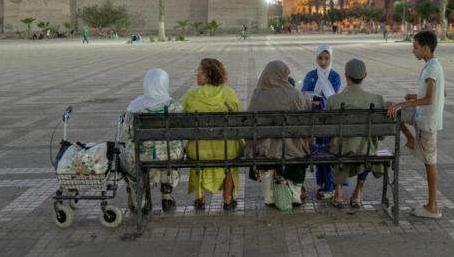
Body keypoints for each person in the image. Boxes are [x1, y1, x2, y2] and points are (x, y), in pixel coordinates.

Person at [386, 31, 445, 219]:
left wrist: (404, 104)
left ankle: (432, 206)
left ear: (426, 49)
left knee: (430, 162)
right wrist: (414, 97)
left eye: (415, 47)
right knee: (391, 110)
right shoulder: (433, 66)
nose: (413, 51)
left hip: (427, 122)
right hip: (421, 115)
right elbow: (441, 94)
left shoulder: (432, 69)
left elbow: (429, 99)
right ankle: (411, 141)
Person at [246, 61, 312, 208]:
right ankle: (295, 192)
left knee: (266, 145)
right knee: (300, 143)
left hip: (264, 150)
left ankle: (269, 195)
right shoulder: (293, 94)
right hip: (292, 149)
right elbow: (306, 105)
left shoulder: (257, 94)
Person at [121, 68, 184, 213]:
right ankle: (166, 194)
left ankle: (141, 201)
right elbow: (180, 132)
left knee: (129, 156)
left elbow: (128, 132)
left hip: (141, 154)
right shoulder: (175, 106)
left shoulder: (135, 106)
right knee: (173, 149)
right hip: (170, 154)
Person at [183, 58, 242, 210]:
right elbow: (238, 117)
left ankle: (200, 199)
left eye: (199, 72)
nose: (196, 75)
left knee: (198, 152)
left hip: (199, 150)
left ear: (208, 75)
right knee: (230, 159)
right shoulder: (228, 93)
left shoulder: (192, 96)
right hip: (226, 149)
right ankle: (228, 199)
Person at [326, 58, 385, 209]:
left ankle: (338, 192)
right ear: (365, 75)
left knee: (333, 146)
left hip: (340, 150)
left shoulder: (333, 100)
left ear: (346, 76)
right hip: (366, 150)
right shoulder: (377, 99)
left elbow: (327, 131)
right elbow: (381, 135)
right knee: (366, 148)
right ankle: (358, 192)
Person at [301, 44, 342, 200]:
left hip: (330, 121)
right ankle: (322, 183)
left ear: (331, 58)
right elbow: (304, 94)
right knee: (319, 151)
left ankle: (330, 186)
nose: (323, 62)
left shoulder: (335, 76)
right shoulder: (311, 74)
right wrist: (314, 99)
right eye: (320, 58)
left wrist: (319, 100)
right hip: (314, 120)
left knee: (328, 151)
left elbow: (333, 98)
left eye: (326, 58)